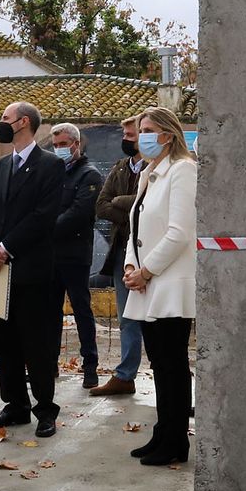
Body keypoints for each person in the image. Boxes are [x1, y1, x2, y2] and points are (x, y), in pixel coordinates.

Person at [0, 101, 67, 436]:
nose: (0, 123)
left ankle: (45, 409)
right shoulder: (1, 166)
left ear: (23, 122)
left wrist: (7, 248)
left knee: (36, 342)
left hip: (31, 268)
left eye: (4, 118)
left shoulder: (50, 166)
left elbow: (43, 217)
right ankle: (15, 405)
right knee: (3, 342)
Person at [123, 107, 197, 466]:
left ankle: (175, 440)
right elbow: (136, 224)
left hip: (168, 283)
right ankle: (163, 432)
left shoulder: (183, 170)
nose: (142, 136)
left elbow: (179, 233)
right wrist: (130, 265)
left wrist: (147, 271)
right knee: (159, 364)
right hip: (147, 283)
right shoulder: (150, 173)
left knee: (172, 365)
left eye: (149, 130)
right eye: (141, 130)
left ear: (168, 134)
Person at [89, 115, 146, 396]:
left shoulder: (158, 168)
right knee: (127, 318)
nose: (126, 139)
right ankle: (125, 376)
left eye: (131, 135)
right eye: (124, 135)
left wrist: (124, 204)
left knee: (159, 321)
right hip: (123, 252)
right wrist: (133, 210)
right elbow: (101, 206)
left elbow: (148, 205)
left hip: (149, 254)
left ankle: (167, 377)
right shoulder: (120, 167)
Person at [49, 122, 103, 389]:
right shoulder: (53, 173)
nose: (59, 150)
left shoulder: (89, 175)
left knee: (81, 310)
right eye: (55, 145)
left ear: (76, 144)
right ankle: (49, 365)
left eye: (63, 145)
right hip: (51, 255)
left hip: (75, 254)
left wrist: (45, 228)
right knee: (50, 312)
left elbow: (79, 213)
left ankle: (90, 366)